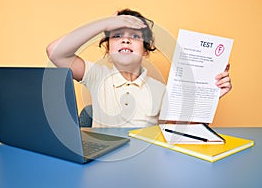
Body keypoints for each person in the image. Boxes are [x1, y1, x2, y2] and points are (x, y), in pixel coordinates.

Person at [46, 9, 232, 128]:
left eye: (134, 36)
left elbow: (183, 133)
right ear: (108, 50)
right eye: (117, 35)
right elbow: (55, 52)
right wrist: (104, 23)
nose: (126, 39)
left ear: (145, 50)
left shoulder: (161, 91)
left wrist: (210, 95)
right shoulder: (97, 75)